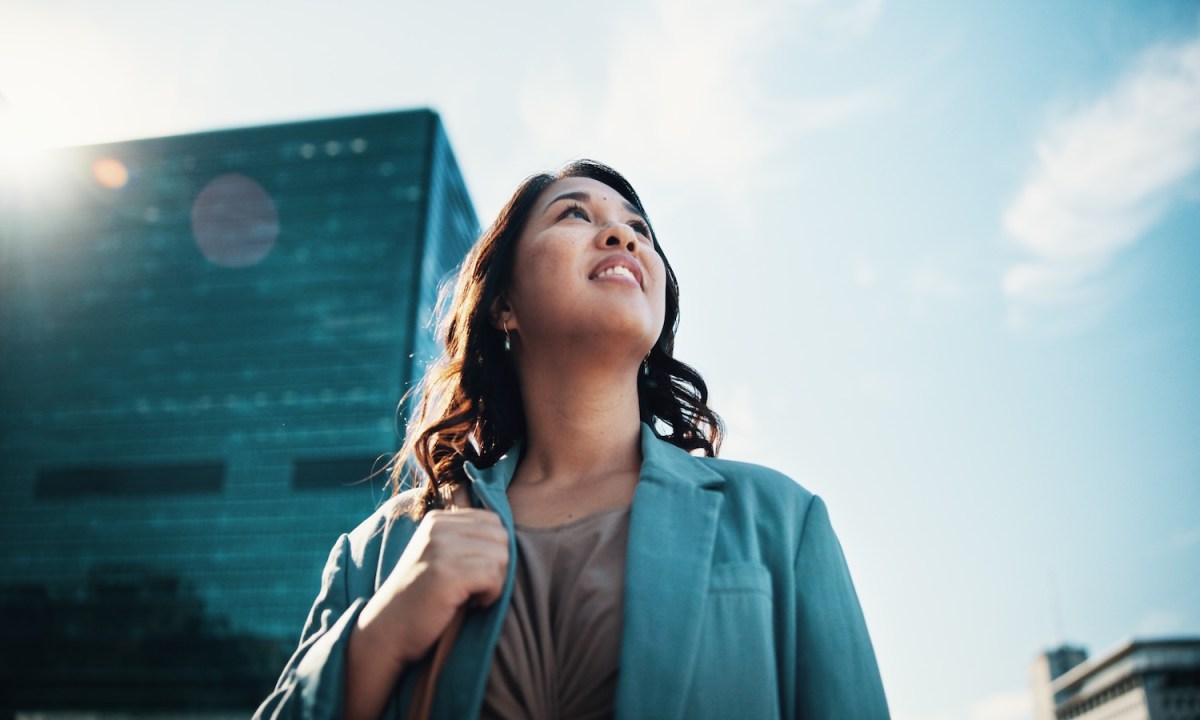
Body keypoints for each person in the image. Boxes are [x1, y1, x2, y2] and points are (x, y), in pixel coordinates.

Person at [254, 160, 889, 719]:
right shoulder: (379, 553)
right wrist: (381, 634)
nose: (623, 236)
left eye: (639, 229)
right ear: (503, 304)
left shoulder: (781, 520)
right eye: (575, 214)